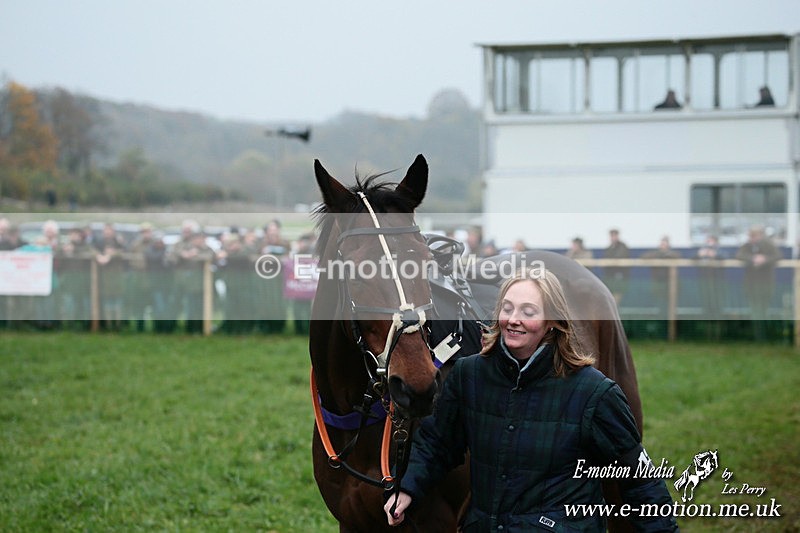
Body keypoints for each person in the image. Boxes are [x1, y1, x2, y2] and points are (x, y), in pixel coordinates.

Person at [384, 269, 678, 531]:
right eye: (507, 308)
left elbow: (640, 480)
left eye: (528, 311)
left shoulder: (594, 393)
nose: (514, 320)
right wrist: (407, 487)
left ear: (552, 321)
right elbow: (437, 442)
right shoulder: (469, 376)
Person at [735, 226, 781, 340]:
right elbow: (739, 255)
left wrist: (764, 259)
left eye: (754, 235)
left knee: (764, 309)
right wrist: (752, 258)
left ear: (760, 235)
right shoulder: (747, 246)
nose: (752, 238)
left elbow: (778, 256)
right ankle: (758, 335)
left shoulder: (769, 245)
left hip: (766, 284)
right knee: (754, 309)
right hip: (751, 284)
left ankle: (764, 335)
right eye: (751, 235)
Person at [641, 236, 681, 320]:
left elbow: (677, 256)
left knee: (670, 305)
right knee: (659, 303)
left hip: (670, 284)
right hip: (658, 283)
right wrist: (660, 255)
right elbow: (644, 256)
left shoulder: (672, 254)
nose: (663, 246)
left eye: (665, 244)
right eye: (662, 244)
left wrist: (665, 255)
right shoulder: (655, 254)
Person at [603, 229, 630, 305]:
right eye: (611, 235)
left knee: (617, 300)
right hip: (610, 278)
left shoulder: (623, 247)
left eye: (614, 235)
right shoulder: (609, 248)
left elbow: (620, 257)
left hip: (619, 278)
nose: (613, 237)